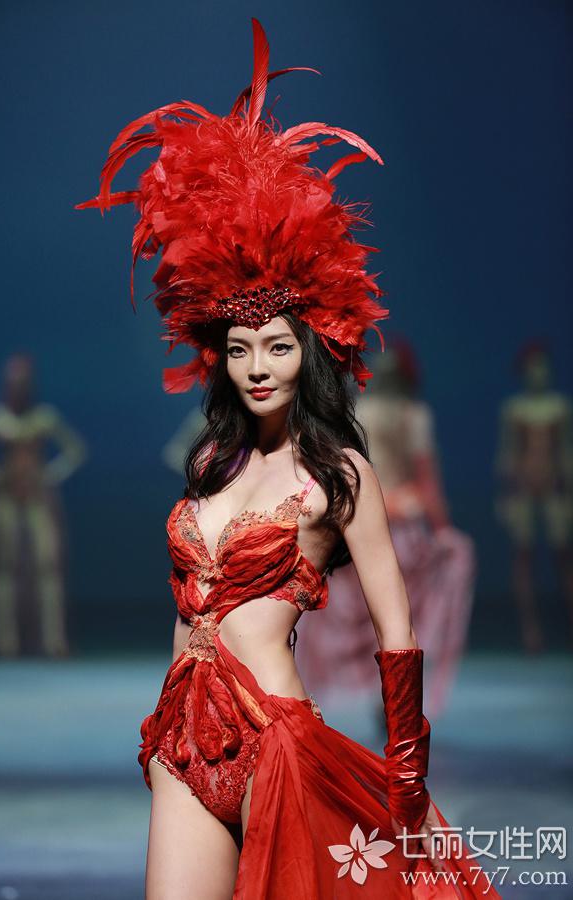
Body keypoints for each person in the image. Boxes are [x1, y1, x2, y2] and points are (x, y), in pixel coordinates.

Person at [77, 19, 501, 898]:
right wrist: (160, 730)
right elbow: (188, 610)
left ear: (307, 352)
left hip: (277, 744)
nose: (257, 367)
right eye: (239, 350)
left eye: (276, 347)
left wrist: (407, 770)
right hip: (184, 742)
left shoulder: (338, 474)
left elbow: (397, 631)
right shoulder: (212, 464)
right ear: (221, 360)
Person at [296, 336, 477, 722]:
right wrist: (442, 529)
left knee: (361, 616)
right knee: (401, 615)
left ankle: (350, 695)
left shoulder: (360, 412)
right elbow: (427, 481)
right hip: (404, 528)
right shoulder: (414, 416)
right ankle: (393, 699)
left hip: (362, 525)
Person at [0, 353, 87, 657]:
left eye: (23, 383)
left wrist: (50, 475)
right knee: (4, 566)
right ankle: (5, 640)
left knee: (47, 565)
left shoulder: (44, 418)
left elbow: (74, 449)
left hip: (38, 496)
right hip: (6, 496)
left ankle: (53, 639)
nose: (19, 388)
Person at [494, 339, 573, 653]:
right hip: (524, 489)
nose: (538, 372)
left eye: (541, 366)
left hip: (553, 488)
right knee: (524, 556)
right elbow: (509, 452)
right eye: (532, 366)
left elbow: (565, 451)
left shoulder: (559, 407)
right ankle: (530, 630)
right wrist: (506, 495)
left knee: (562, 554)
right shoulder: (515, 409)